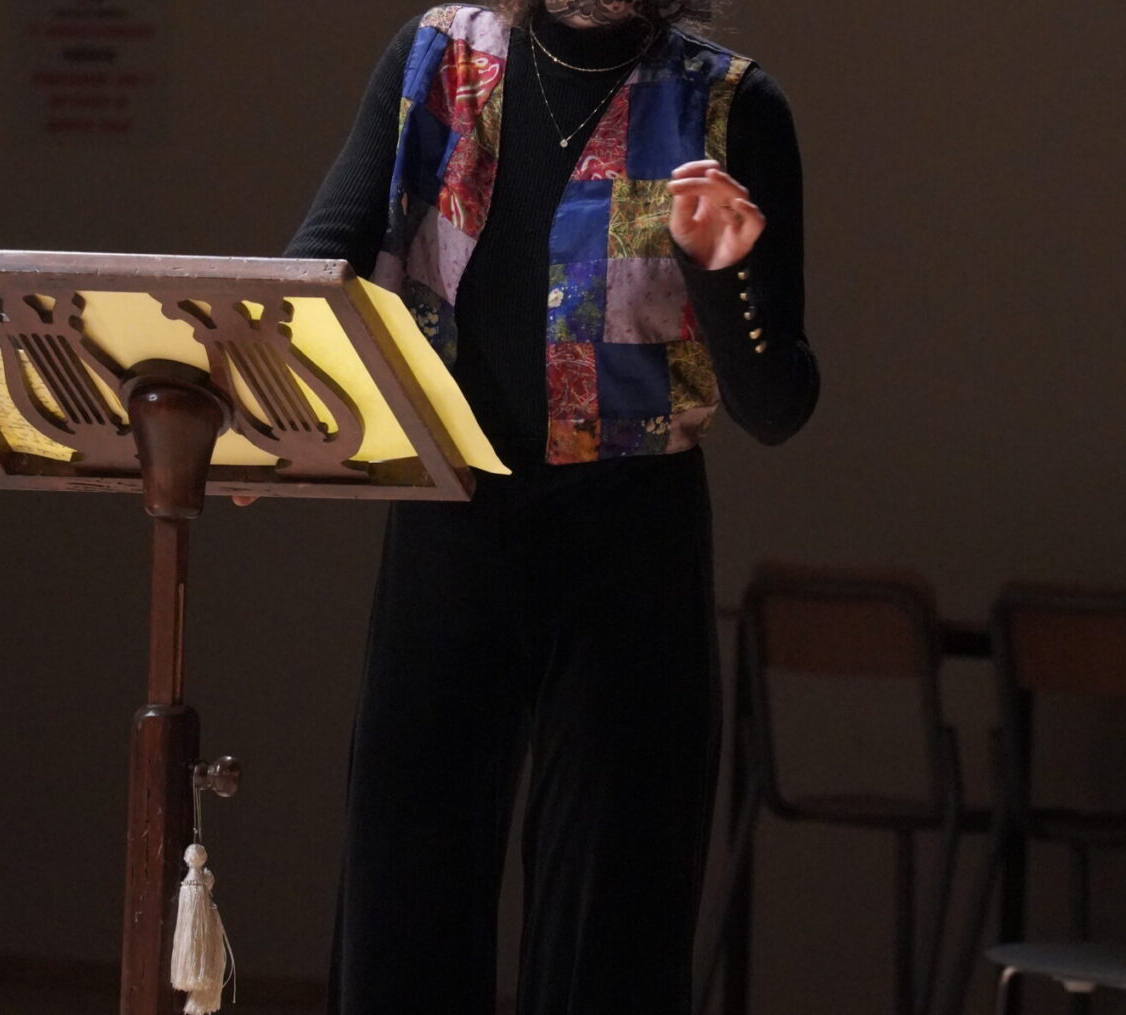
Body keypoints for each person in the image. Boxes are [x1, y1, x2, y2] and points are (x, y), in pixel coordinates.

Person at [267, 1, 820, 1011]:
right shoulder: (438, 58)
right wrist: (270, 421)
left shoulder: (729, 103)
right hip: (452, 517)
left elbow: (777, 403)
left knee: (613, 916)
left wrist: (723, 274)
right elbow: (321, 264)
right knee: (405, 895)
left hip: (630, 535)